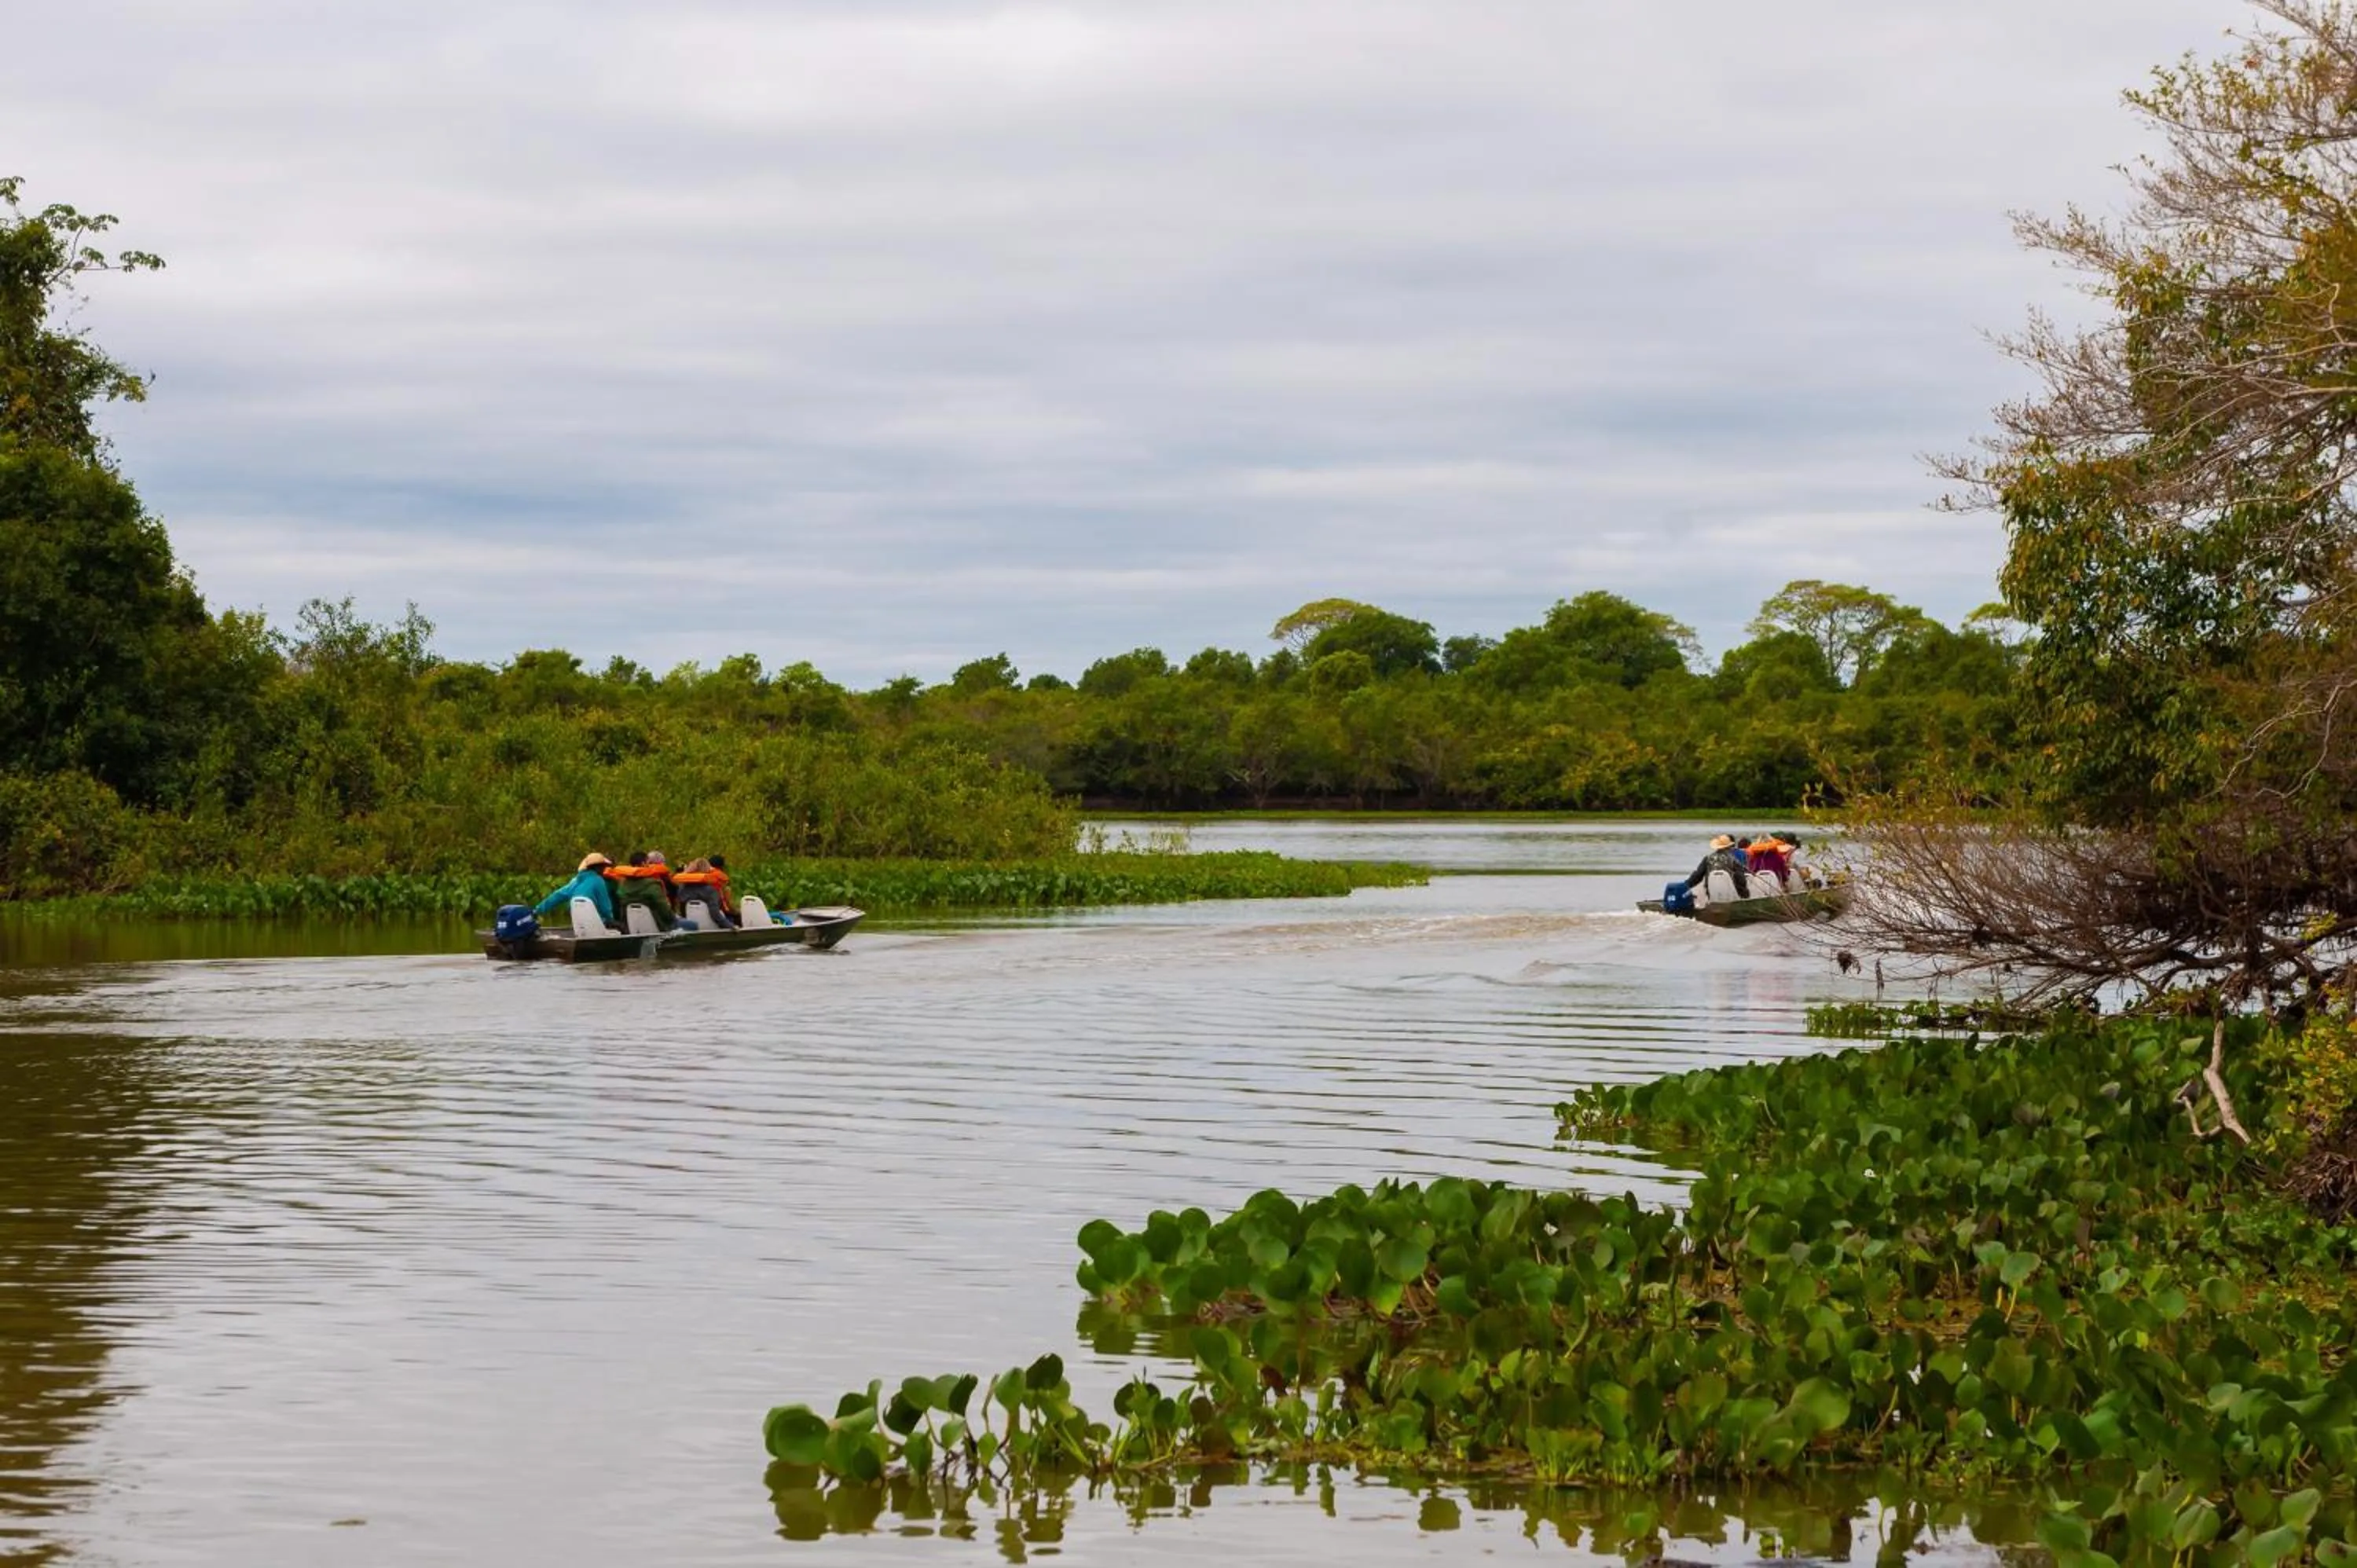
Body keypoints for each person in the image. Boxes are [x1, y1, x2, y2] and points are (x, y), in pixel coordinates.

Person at [533, 852, 618, 930]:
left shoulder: (575, 881)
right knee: (619, 926)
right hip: (596, 924)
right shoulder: (599, 881)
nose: (604, 869)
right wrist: (612, 922)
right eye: (603, 866)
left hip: (577, 924)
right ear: (597, 867)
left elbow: (557, 896)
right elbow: (605, 908)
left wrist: (538, 910)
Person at [606, 849, 678, 931]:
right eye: (648, 863)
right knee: (691, 925)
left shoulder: (623, 885)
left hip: (632, 927)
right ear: (644, 864)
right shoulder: (652, 885)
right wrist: (674, 919)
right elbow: (665, 911)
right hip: (659, 926)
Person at [672, 855, 738, 928]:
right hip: (709, 925)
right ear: (707, 870)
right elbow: (715, 914)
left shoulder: (682, 888)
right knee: (730, 918)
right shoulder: (711, 891)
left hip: (690, 924)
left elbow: (681, 910)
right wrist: (731, 926)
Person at [1682, 834, 1751, 899]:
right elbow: (1740, 879)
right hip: (1730, 893)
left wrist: (1685, 886)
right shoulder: (1733, 860)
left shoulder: (1707, 858)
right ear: (1729, 847)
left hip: (1711, 893)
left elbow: (1697, 876)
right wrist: (1745, 894)